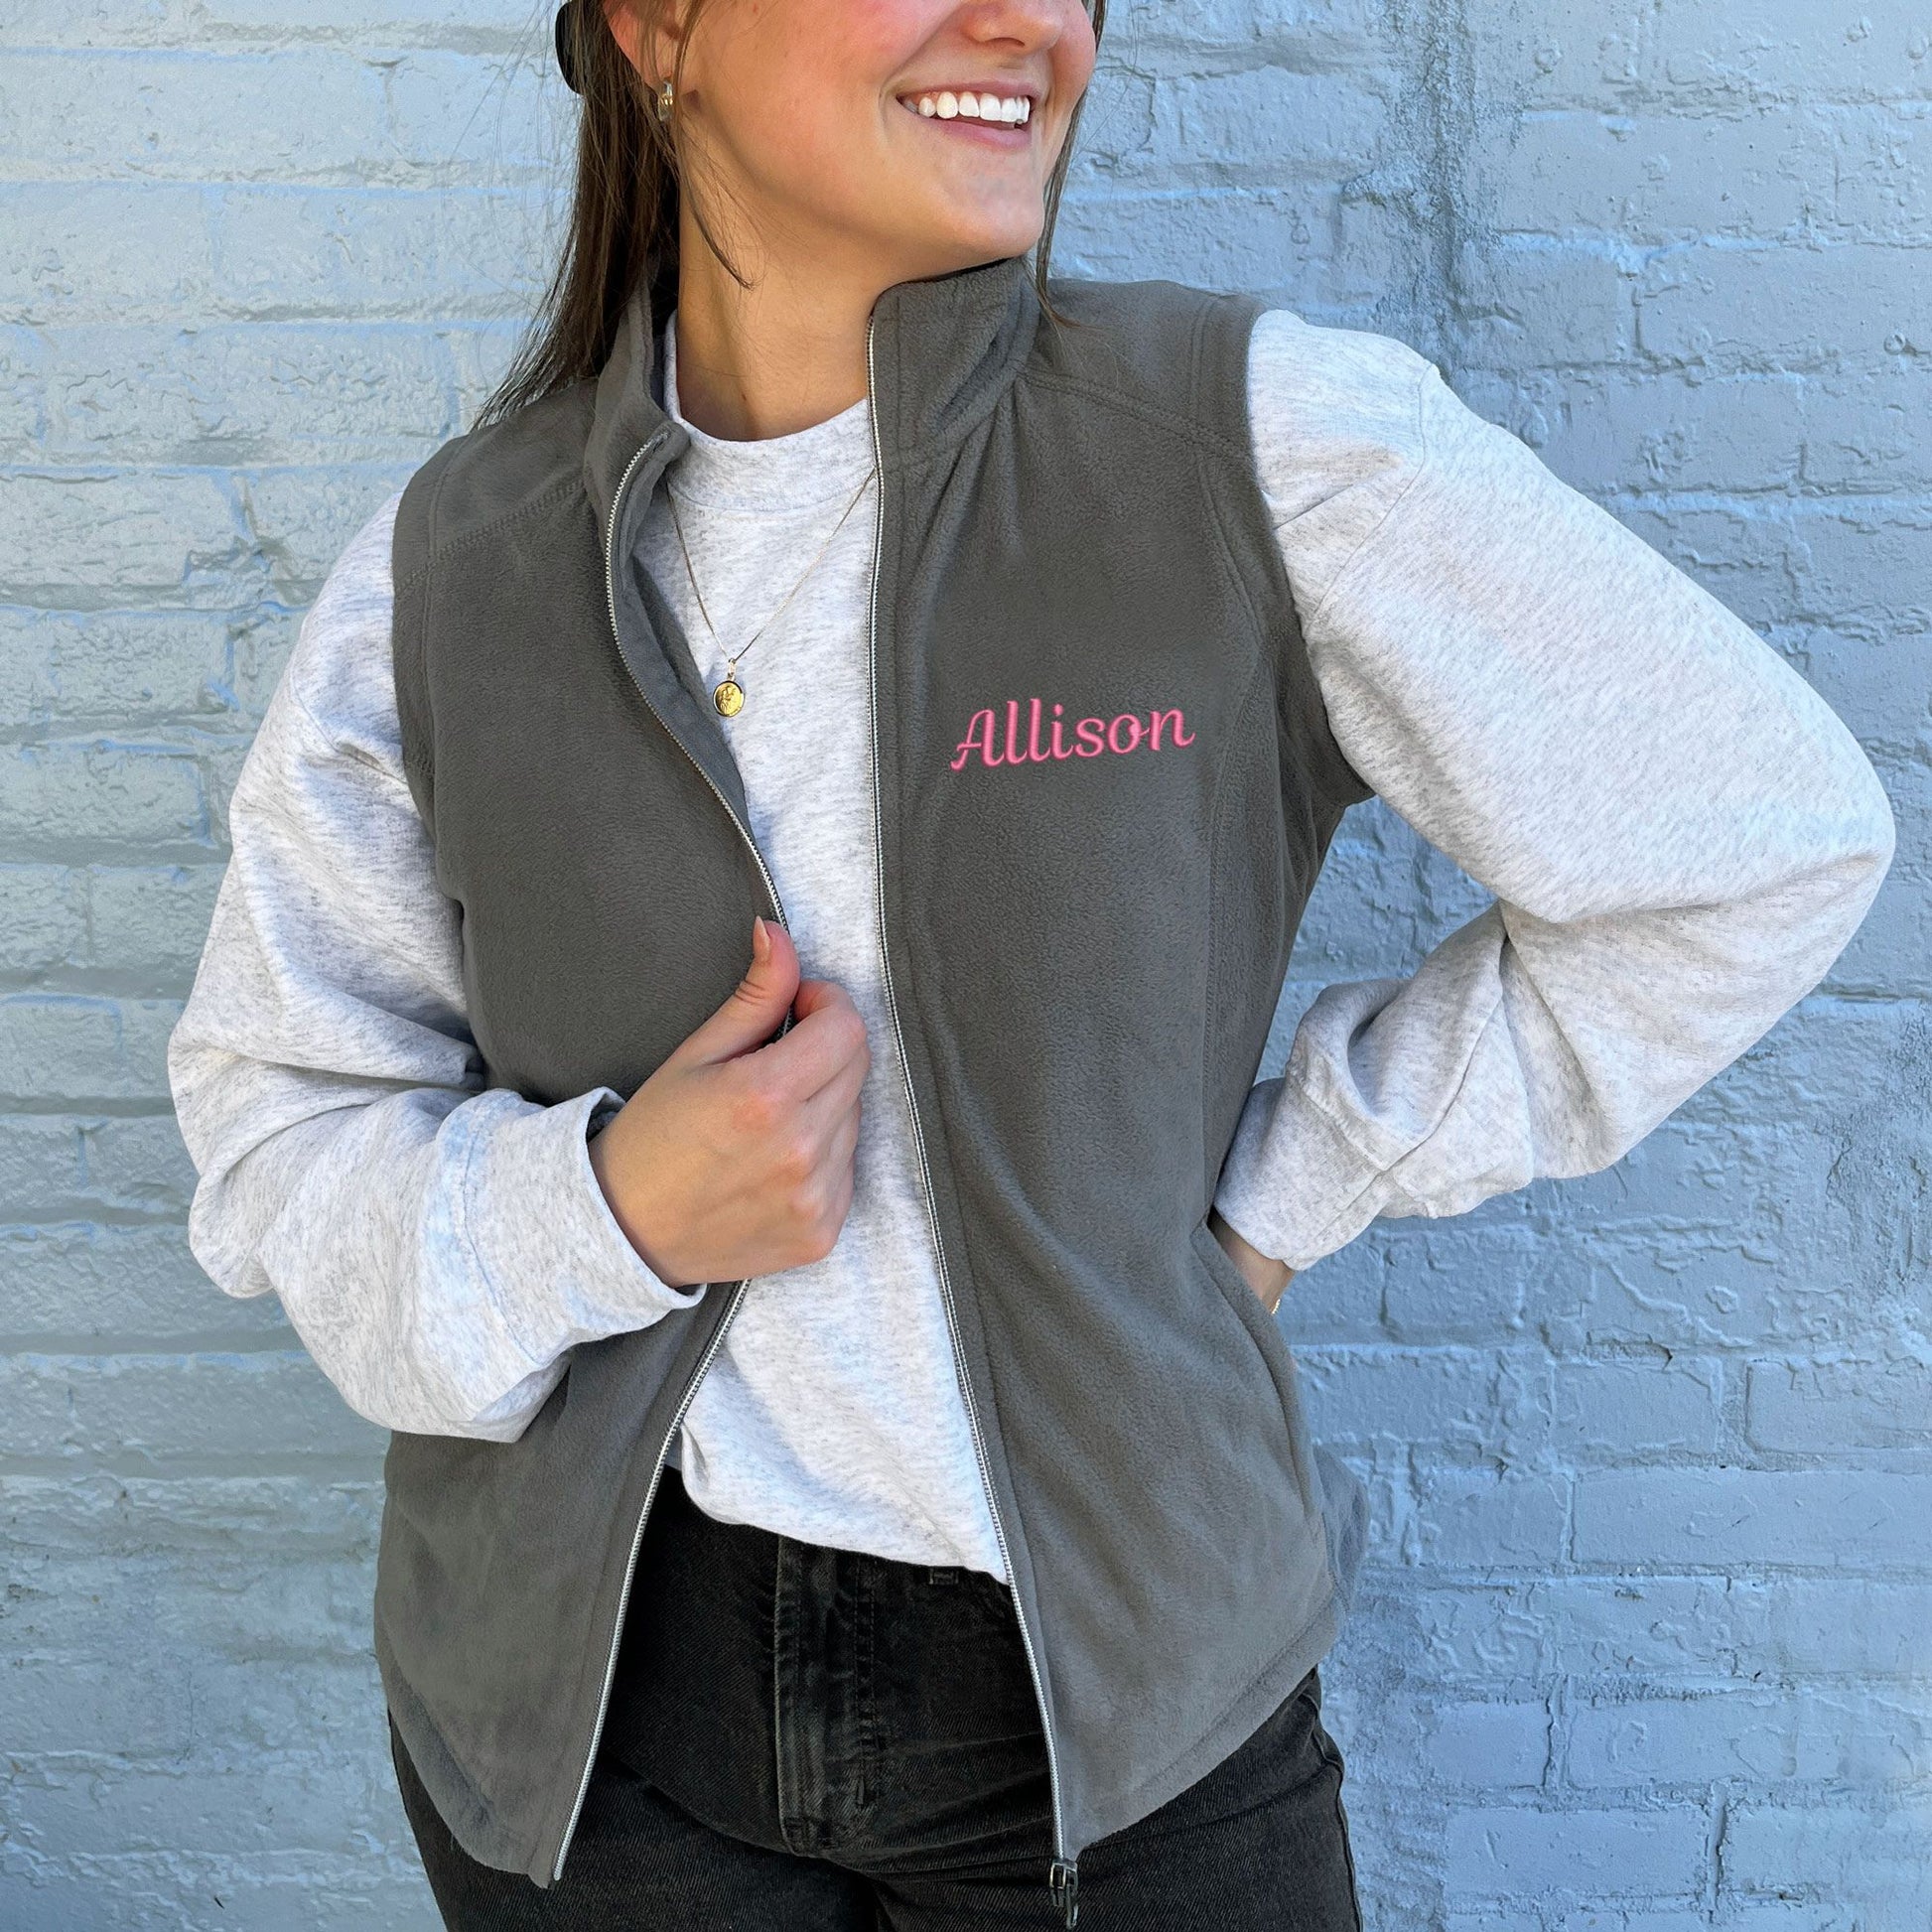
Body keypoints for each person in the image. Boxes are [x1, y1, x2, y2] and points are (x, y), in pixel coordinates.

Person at [165, 0, 1895, 1925]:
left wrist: (1285, 1183)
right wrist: (608, 1208)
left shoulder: (1242, 449)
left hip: (1124, 1725)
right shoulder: (446, 573)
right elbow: (276, 1130)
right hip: (598, 1743)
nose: (1030, 21)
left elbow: (1758, 837)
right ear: (657, 27)